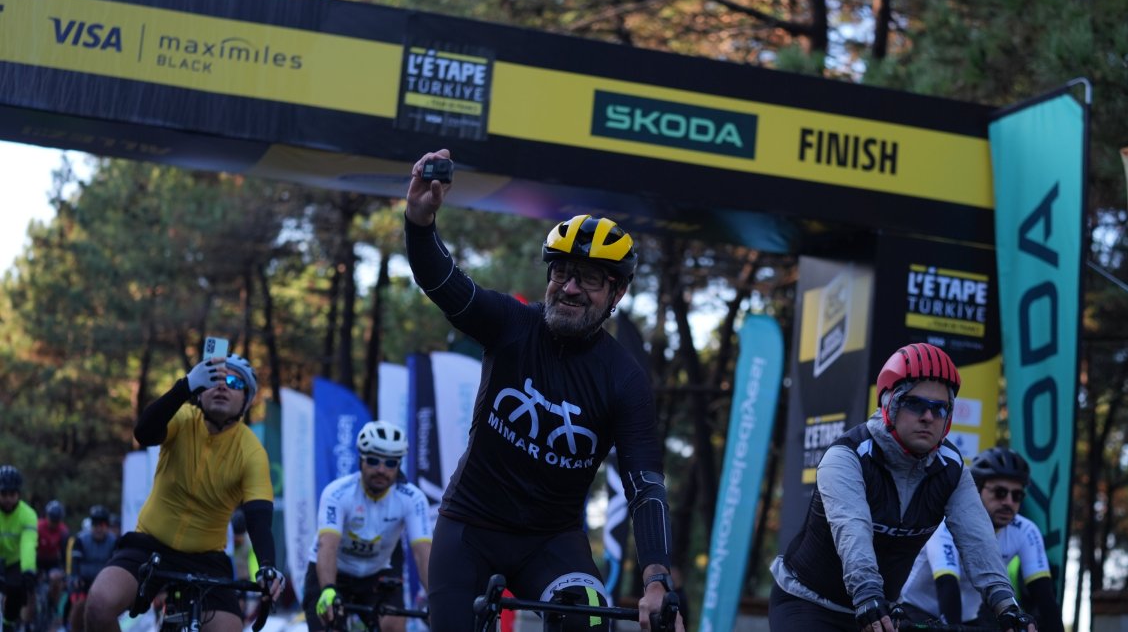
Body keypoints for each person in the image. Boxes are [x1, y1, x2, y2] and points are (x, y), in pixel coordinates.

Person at [404, 149, 683, 632]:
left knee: (591, 624)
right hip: (471, 526)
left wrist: (658, 579)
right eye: (561, 271)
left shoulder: (625, 378)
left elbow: (645, 487)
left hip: (550, 541)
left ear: (616, 293)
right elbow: (442, 281)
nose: (570, 288)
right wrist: (419, 221)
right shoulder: (512, 324)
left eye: (590, 278)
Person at [768, 343, 1039, 632]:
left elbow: (978, 540)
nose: (927, 416)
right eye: (914, 403)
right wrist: (869, 594)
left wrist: (1007, 606)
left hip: (879, 611)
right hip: (808, 602)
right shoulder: (847, 457)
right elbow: (853, 531)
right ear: (889, 404)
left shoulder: (952, 469)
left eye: (940, 408)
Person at [84, 353, 285, 632]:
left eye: (233, 383)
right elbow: (144, 432)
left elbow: (259, 518)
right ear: (200, 392)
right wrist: (185, 385)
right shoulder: (182, 418)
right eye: (213, 380)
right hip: (149, 545)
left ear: (246, 401)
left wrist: (267, 566)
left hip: (206, 559)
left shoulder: (251, 451)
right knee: (98, 605)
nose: (222, 386)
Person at [898, 448, 1065, 632]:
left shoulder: (1026, 530)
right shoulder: (946, 524)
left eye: (1017, 496)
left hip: (969, 617)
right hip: (917, 610)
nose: (1009, 502)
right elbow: (947, 585)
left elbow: (1044, 597)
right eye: (1000, 493)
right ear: (976, 490)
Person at [304, 420, 432, 632]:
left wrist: (436, 597)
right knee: (328, 624)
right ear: (361, 460)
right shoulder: (337, 493)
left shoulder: (413, 498)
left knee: (393, 625)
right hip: (333, 571)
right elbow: (328, 546)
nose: (381, 470)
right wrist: (328, 588)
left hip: (376, 572)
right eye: (373, 461)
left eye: (390, 463)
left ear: (399, 465)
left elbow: (423, 554)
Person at [66, 505, 118, 632]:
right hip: (83, 584)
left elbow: (116, 565)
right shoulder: (81, 540)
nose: (99, 528)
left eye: (102, 525)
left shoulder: (114, 541)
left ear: (107, 526)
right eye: (95, 525)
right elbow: (75, 564)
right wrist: (75, 578)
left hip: (104, 585)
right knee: (77, 606)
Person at [0, 465, 37, 632]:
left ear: (18, 494)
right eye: (3, 494)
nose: (8, 499)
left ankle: (9, 623)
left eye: (12, 494)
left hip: (15, 561)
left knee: (16, 589)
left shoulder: (28, 514)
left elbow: (28, 544)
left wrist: (28, 570)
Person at [37, 500, 71, 574]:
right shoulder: (39, 527)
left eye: (57, 521)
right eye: (52, 520)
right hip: (38, 559)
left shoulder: (63, 531)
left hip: (53, 560)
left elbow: (64, 552)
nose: (54, 524)